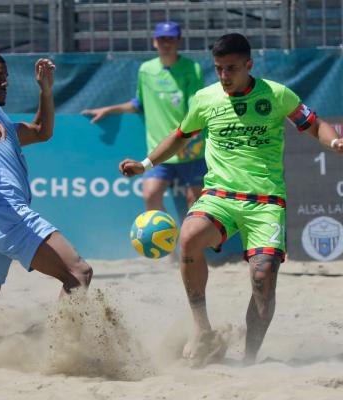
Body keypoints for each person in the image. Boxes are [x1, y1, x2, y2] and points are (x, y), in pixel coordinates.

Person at [119, 33, 343, 365]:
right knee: (189, 237)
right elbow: (179, 136)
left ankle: (249, 359)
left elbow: (315, 124)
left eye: (231, 68)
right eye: (219, 68)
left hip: (266, 202)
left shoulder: (276, 94)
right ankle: (202, 328)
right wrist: (145, 164)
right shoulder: (206, 99)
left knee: (262, 278)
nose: (224, 76)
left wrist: (334, 142)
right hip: (219, 196)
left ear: (248, 65)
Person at [0, 51, 93, 341]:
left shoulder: (2, 126)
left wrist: (45, 91)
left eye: (6, 78)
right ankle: (63, 352)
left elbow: (41, 131)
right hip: (2, 211)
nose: (5, 83)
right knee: (78, 273)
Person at [82, 21, 206, 216]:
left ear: (179, 41)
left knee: (195, 202)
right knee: (150, 195)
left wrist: (189, 137)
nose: (166, 43)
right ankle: (167, 237)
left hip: (190, 149)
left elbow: (195, 108)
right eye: (162, 39)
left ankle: (190, 237)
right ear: (155, 42)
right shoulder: (146, 70)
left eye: (171, 39)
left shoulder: (193, 68)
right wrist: (110, 109)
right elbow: (138, 104)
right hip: (159, 150)